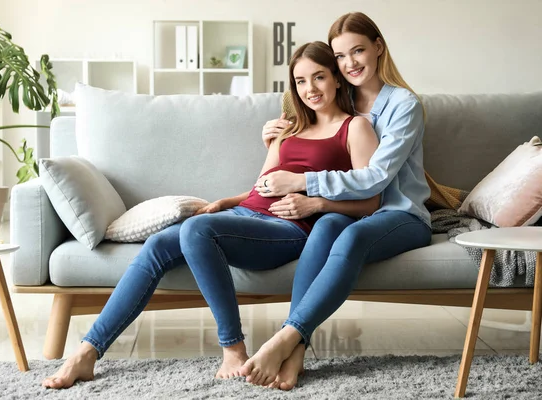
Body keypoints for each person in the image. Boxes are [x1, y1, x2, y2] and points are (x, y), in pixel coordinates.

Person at [42, 41, 380, 389]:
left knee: (197, 230)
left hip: (290, 228)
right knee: (159, 244)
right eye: (300, 81)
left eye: (319, 77)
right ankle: (87, 352)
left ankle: (232, 346)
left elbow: (370, 201)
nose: (310, 89)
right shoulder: (289, 128)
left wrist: (316, 204)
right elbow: (260, 187)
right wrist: (227, 201)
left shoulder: (354, 128)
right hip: (248, 215)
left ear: (337, 79)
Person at [239, 12, 432, 390]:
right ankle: (295, 352)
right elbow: (306, 141)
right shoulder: (336, 98)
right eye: (340, 56)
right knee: (326, 226)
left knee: (350, 238)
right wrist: (275, 137)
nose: (350, 64)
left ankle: (285, 338)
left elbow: (376, 177)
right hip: (347, 212)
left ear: (378, 47)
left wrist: (304, 182)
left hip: (400, 215)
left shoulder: (403, 105)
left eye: (358, 51)